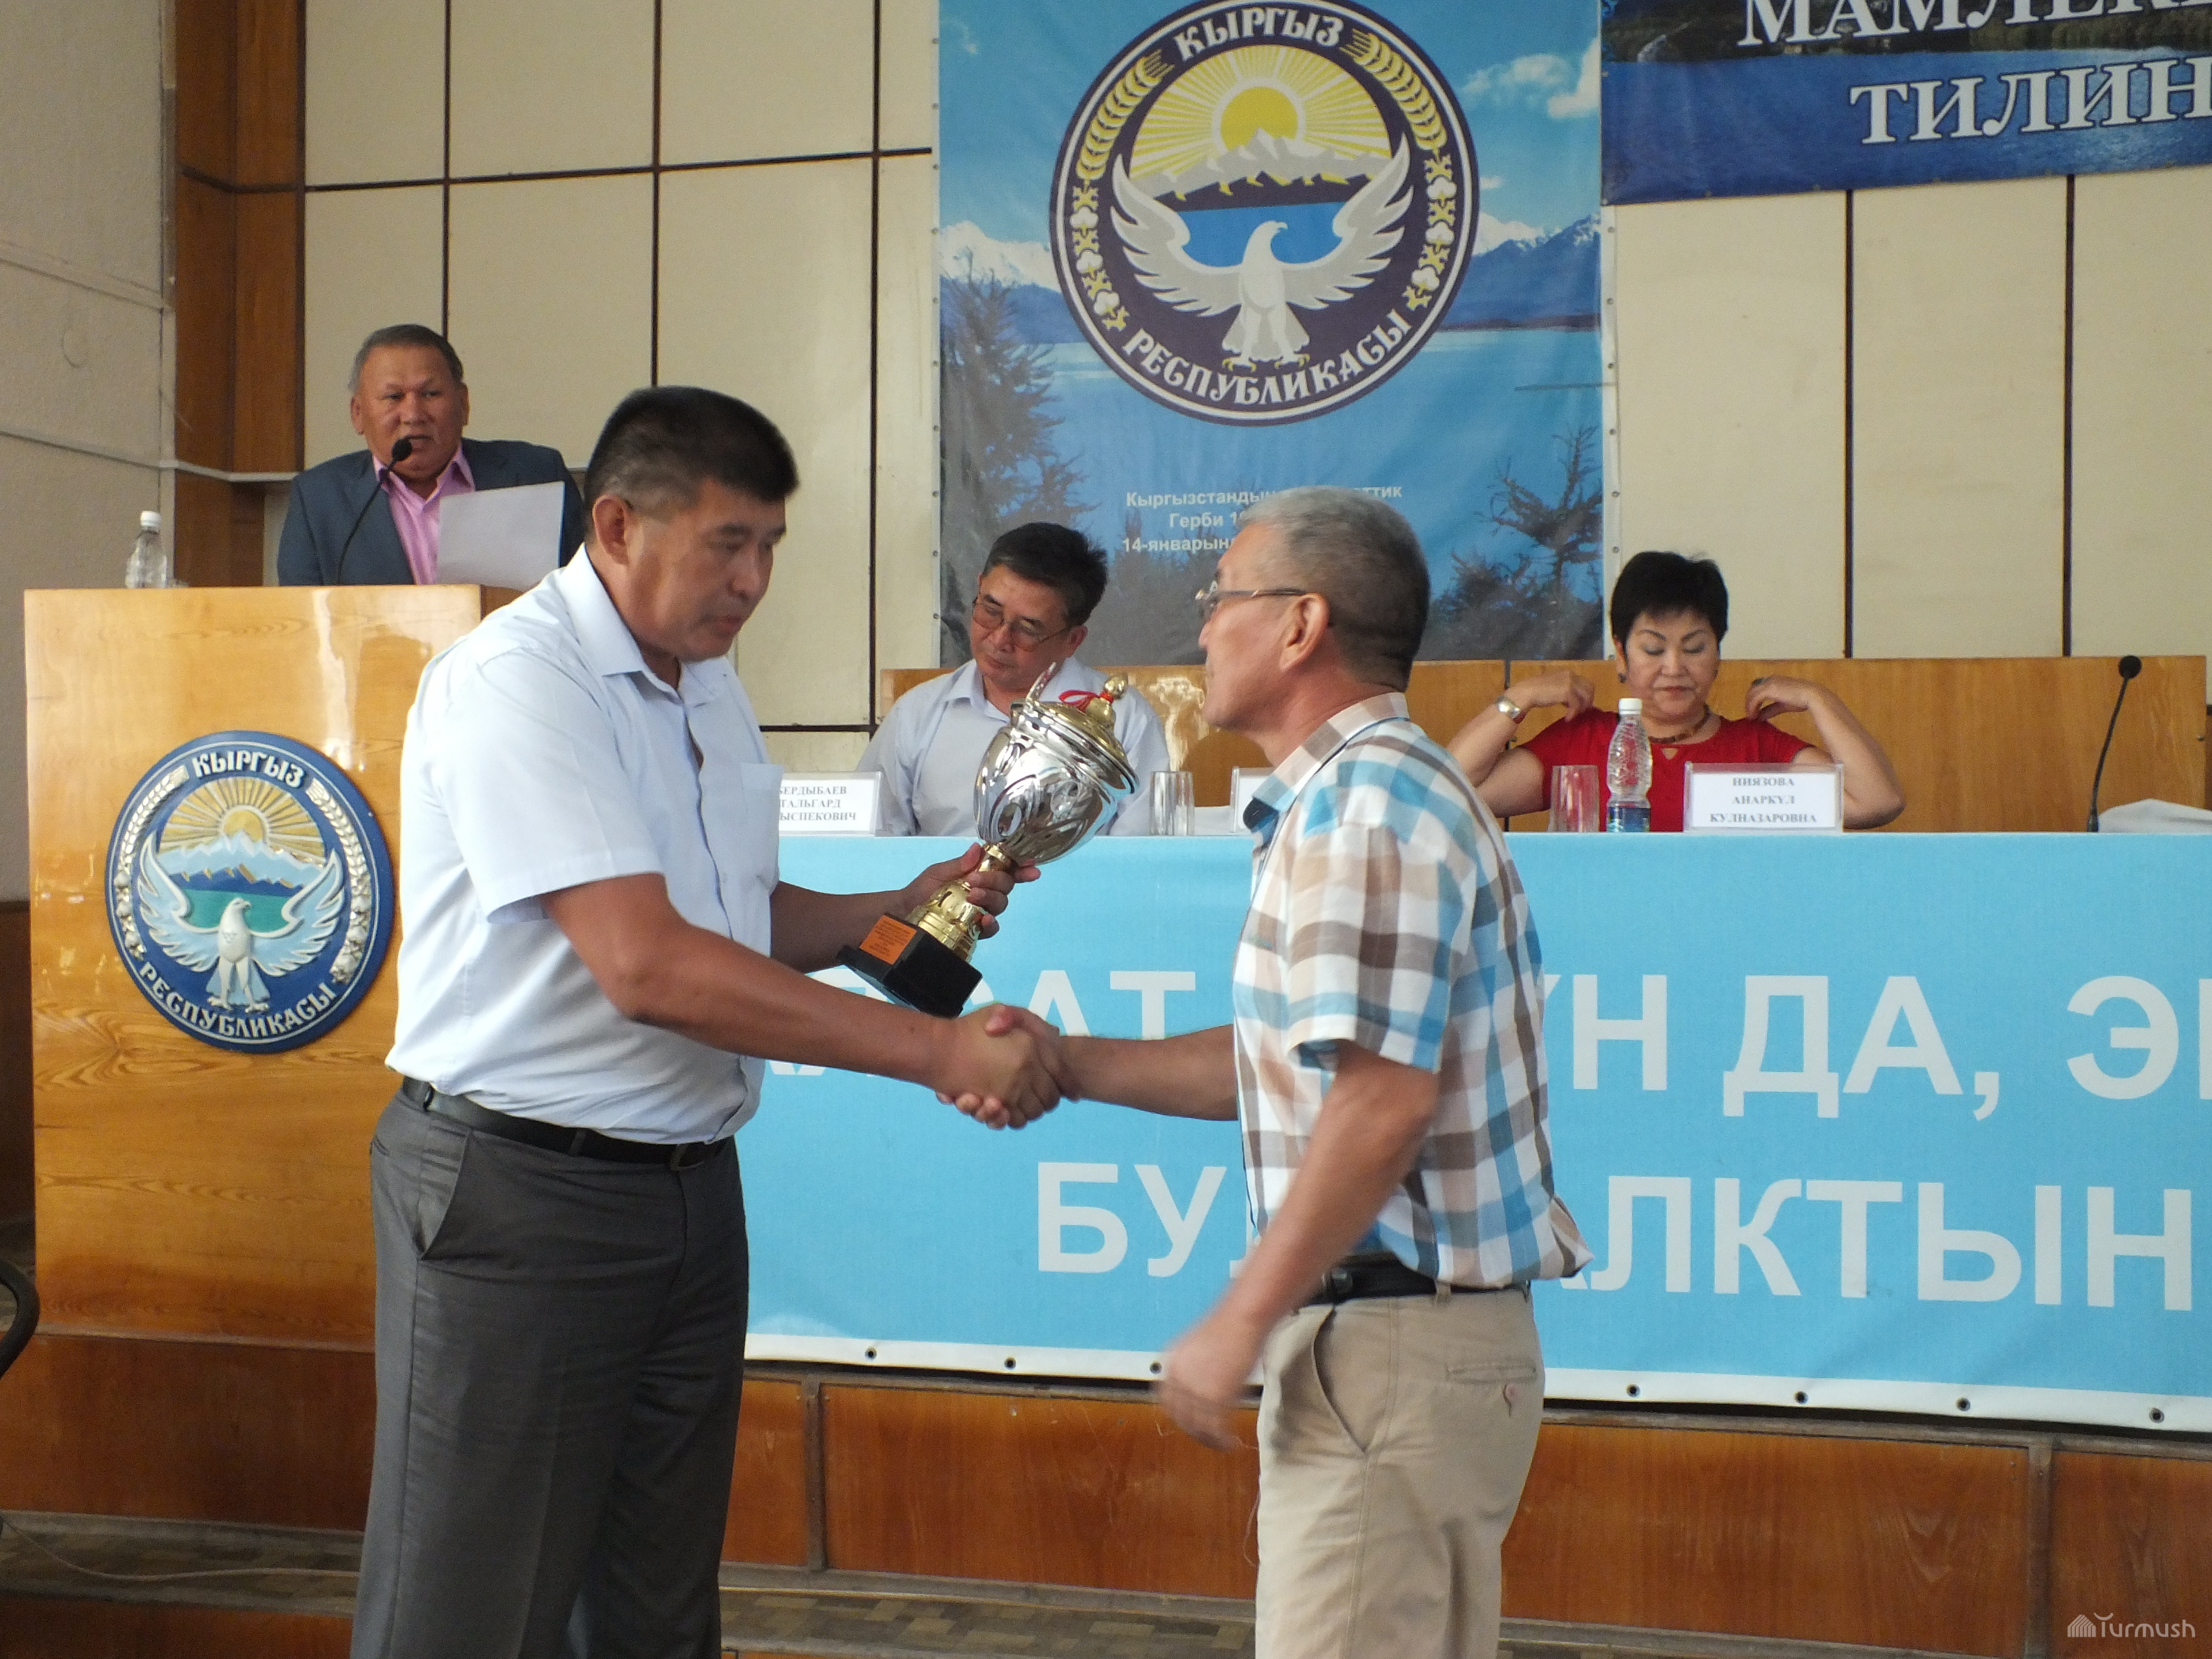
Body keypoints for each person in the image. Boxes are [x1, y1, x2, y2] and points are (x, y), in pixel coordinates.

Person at [357, 386, 1064, 1659]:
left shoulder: (708, 684)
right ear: (618, 526)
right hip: (522, 1200)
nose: (753, 582)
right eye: (727, 544)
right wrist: (938, 1051)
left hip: (685, 1194)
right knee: (472, 1614)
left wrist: (888, 913)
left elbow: (734, 914)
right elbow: (649, 965)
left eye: (770, 547)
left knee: (657, 1605)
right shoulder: (518, 682)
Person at [961, 487, 1588, 1659]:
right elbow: (1288, 1065)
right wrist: (1066, 1062)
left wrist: (1238, 1319)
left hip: (1386, 1351)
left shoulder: (1366, 808)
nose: (1202, 628)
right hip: (1397, 1354)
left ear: (1301, 624)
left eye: (1222, 597)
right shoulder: (1354, 797)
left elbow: (1380, 1103)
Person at [1449, 550, 1906, 830]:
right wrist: (1521, 697)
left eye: (1694, 648)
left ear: (1718, 653)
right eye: (1653, 649)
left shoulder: (1755, 749)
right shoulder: (1582, 743)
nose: (1674, 668)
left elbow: (1876, 801)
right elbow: (1447, 791)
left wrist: (1819, 700)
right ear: (1621, 654)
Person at [859, 523, 1172, 834]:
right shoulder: (917, 714)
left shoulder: (1124, 720)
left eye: (1027, 629)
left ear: (1073, 640)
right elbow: (870, 837)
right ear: (979, 587)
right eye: (990, 610)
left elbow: (1143, 851)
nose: (999, 639)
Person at [278, 323, 588, 586]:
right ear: (358, 413)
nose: (413, 414)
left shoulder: (536, 474)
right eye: (394, 397)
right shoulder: (319, 499)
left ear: (463, 404)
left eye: (430, 394)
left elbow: (587, 592)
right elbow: (302, 618)